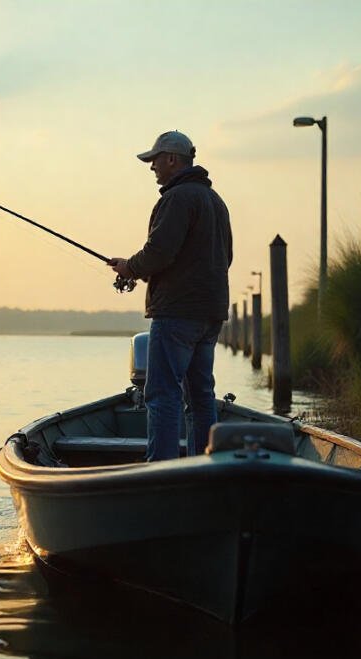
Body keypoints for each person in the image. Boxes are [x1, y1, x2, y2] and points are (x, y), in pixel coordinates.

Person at [107, 130, 233, 460]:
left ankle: (160, 469)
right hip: (210, 315)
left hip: (177, 313)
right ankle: (207, 464)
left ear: (173, 159)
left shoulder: (177, 199)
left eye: (155, 160)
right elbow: (222, 257)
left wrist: (130, 268)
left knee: (162, 394)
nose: (152, 167)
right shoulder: (215, 201)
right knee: (202, 396)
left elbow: (159, 252)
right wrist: (136, 267)